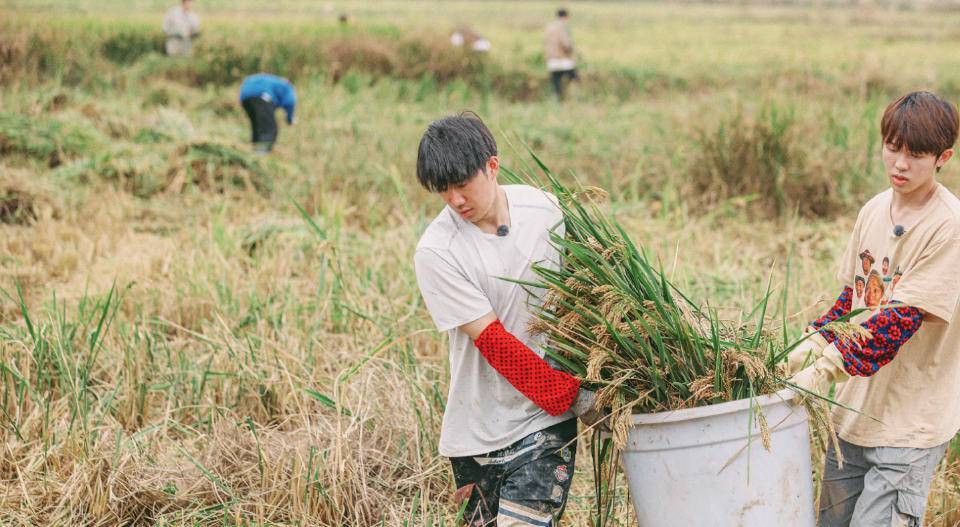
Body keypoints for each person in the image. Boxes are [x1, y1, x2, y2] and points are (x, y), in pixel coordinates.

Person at [413, 114, 605, 526]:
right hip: (477, 425)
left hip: (543, 419)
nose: (454, 200)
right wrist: (575, 397)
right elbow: (495, 344)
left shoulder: (545, 211)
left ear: (492, 166)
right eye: (442, 190)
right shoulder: (437, 251)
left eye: (462, 184)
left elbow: (582, 298)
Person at [786, 91, 960, 527]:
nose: (899, 164)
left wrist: (825, 367)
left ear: (943, 157)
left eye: (915, 154)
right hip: (852, 419)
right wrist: (810, 343)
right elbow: (854, 301)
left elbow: (896, 322)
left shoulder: (949, 226)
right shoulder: (874, 209)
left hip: (908, 425)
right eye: (892, 148)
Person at [238, 74, 296, 153]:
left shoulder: (271, 81)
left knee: (258, 125)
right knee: (269, 129)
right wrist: (290, 120)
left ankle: (256, 151)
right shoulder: (287, 86)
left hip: (244, 97)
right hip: (262, 96)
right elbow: (290, 102)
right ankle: (262, 154)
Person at [544, 8, 577, 100]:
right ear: (566, 17)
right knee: (574, 77)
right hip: (563, 59)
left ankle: (558, 100)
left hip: (551, 59)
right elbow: (566, 44)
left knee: (556, 82)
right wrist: (572, 52)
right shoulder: (563, 27)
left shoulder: (549, 27)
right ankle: (571, 96)